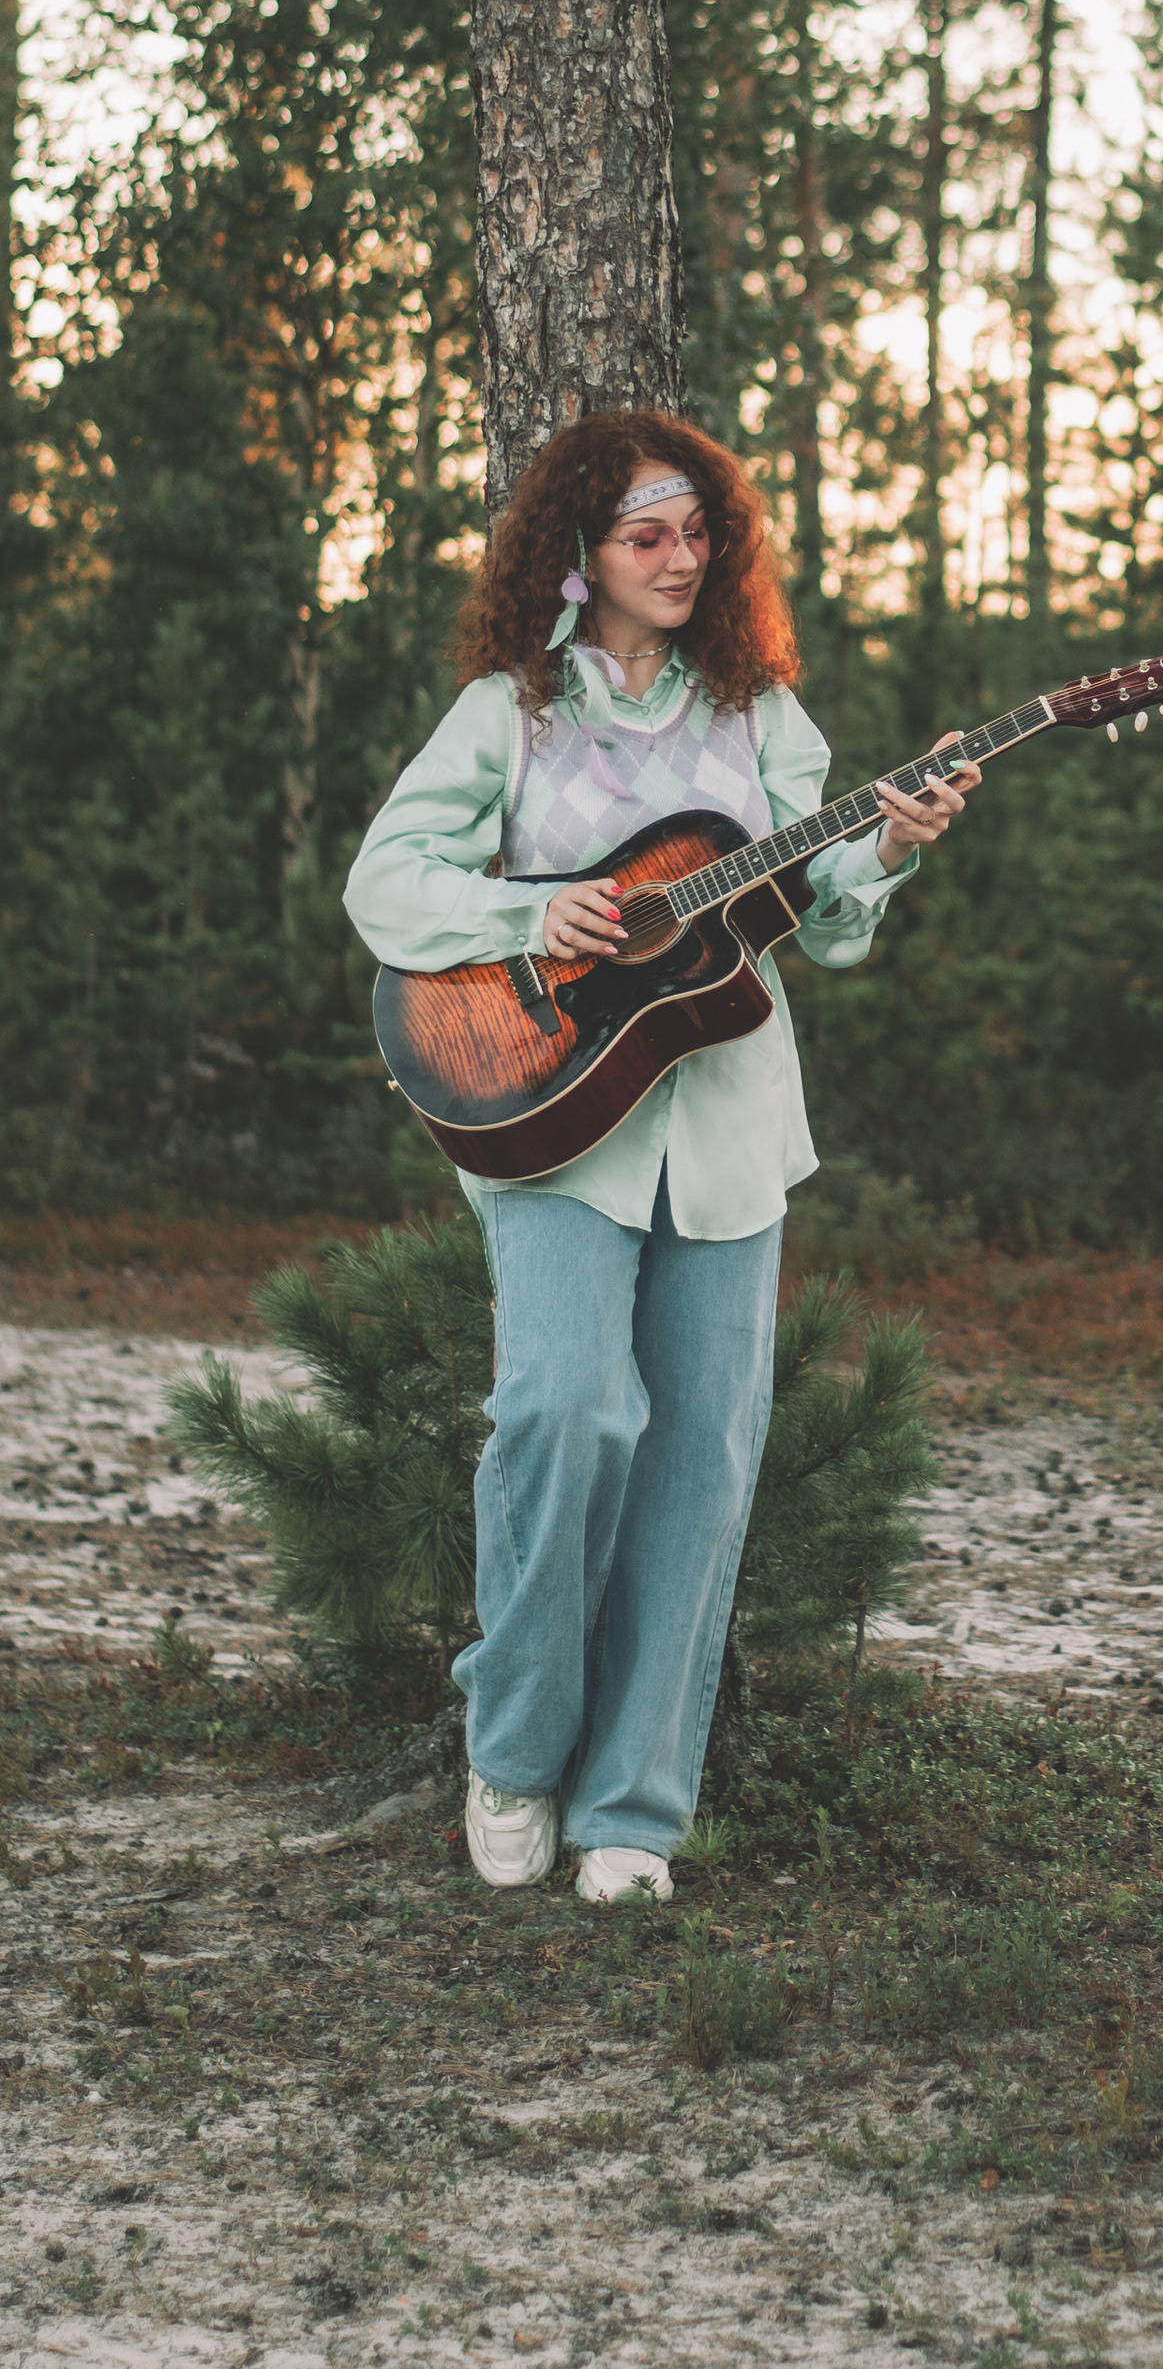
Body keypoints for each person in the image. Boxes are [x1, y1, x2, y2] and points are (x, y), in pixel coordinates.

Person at [346, 409, 977, 1906]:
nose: (683, 556)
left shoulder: (759, 717)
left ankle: (632, 1807)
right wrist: (525, 916)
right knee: (566, 1414)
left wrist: (882, 853)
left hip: (730, 1132)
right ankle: (512, 1748)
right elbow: (387, 879)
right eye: (650, 533)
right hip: (553, 1124)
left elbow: (820, 919)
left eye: (699, 530)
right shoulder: (510, 711)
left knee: (702, 1457)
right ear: (582, 551)